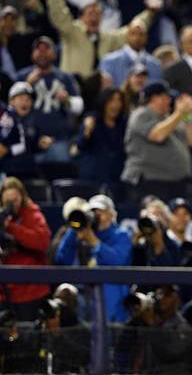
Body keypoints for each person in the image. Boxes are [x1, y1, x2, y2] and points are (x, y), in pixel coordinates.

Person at [46, 0, 155, 78]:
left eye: (97, 14)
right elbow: (57, 11)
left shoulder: (107, 38)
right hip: (73, 90)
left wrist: (150, 12)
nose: (94, 17)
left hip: (98, 92)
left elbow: (133, 29)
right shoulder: (72, 32)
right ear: (81, 18)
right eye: (90, 14)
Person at [55, 195, 132, 323]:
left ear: (112, 215)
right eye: (93, 212)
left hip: (111, 298)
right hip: (83, 297)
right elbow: (62, 258)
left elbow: (117, 260)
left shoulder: (121, 236)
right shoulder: (83, 233)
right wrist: (73, 230)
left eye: (101, 213)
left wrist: (94, 242)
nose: (96, 217)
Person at [121, 81, 192, 202]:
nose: (170, 101)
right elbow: (157, 135)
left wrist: (188, 116)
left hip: (175, 182)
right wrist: (179, 113)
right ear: (155, 98)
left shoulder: (168, 118)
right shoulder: (141, 114)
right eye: (166, 97)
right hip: (150, 180)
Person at [16, 36, 83, 163]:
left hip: (59, 140)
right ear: (32, 54)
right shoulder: (22, 76)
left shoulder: (65, 78)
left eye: (46, 49)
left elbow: (79, 108)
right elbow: (12, 109)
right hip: (28, 141)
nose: (42, 52)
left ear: (55, 53)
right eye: (38, 49)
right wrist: (27, 85)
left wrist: (66, 100)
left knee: (59, 163)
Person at [0, 177, 51, 321]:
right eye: (7, 201)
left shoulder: (34, 216)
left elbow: (42, 242)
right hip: (4, 292)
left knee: (28, 339)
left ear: (22, 198)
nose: (11, 205)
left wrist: (11, 228)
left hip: (30, 292)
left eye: (15, 200)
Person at [75, 87, 126, 184]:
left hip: (116, 176)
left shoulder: (123, 124)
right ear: (104, 102)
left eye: (119, 100)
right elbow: (80, 146)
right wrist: (87, 131)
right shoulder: (92, 120)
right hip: (93, 175)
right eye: (111, 100)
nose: (116, 105)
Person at [99, 20, 163, 87]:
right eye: (133, 33)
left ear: (146, 37)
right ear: (126, 36)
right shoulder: (109, 61)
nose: (137, 38)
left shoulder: (155, 64)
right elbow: (105, 90)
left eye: (141, 34)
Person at [0, 82, 38, 179]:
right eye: (21, 99)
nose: (25, 103)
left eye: (28, 99)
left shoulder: (28, 120)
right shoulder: (9, 119)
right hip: (11, 173)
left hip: (25, 171)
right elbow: (1, 148)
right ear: (11, 101)